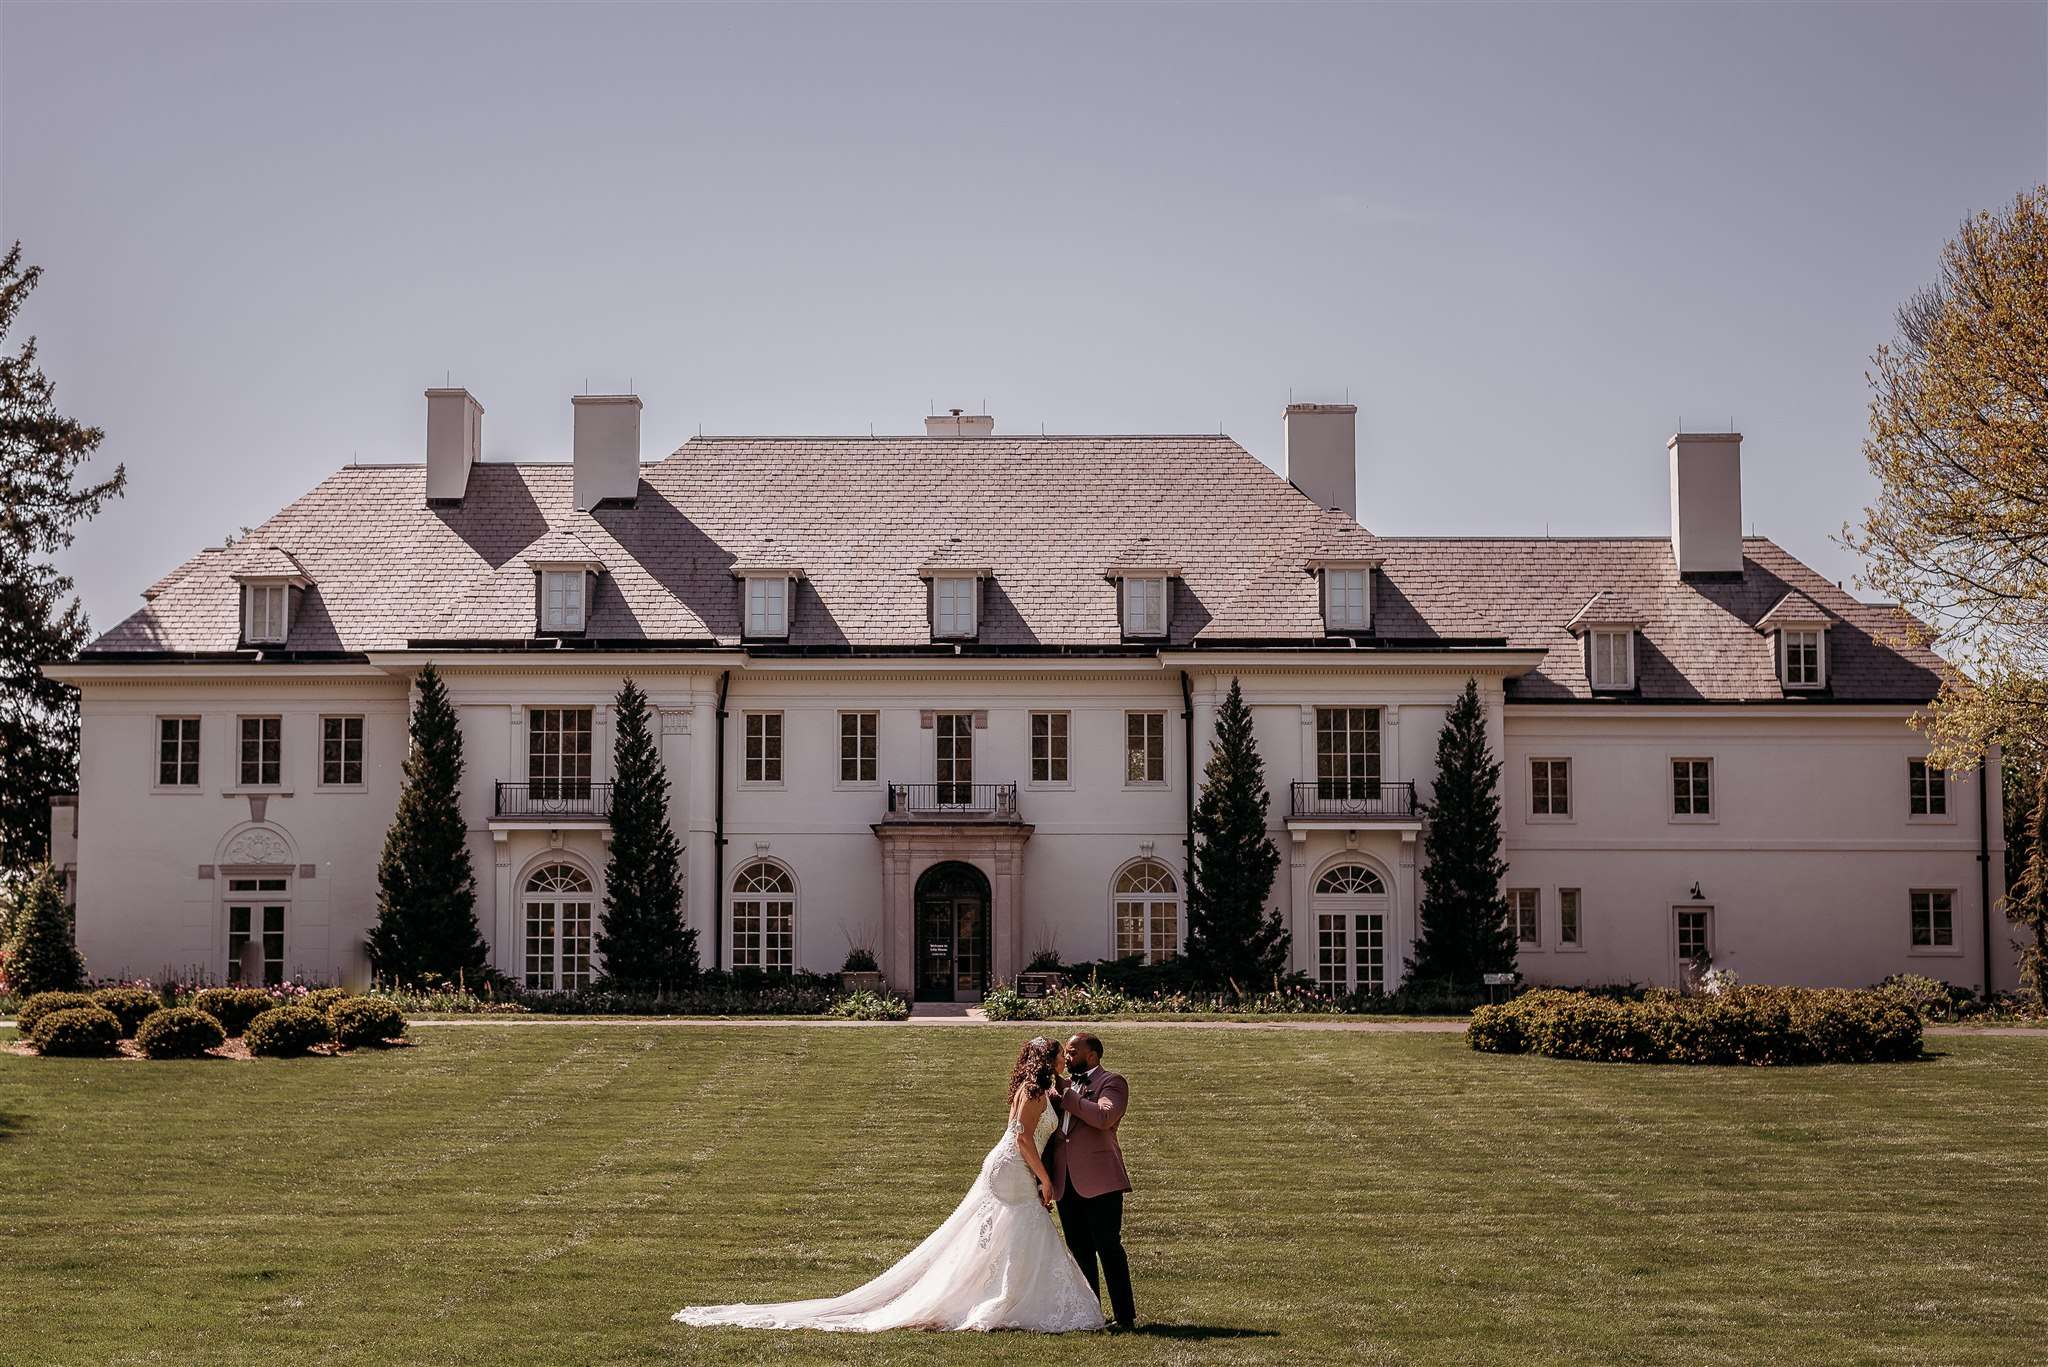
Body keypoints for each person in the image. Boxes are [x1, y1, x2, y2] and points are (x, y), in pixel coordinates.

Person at [673, 1036, 1104, 1333]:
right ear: (1046, 1061)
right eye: (1058, 1056)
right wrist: (1045, 1180)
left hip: (1007, 1165)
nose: (1063, 1061)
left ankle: (1000, 1294)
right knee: (1028, 1226)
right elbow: (1023, 1138)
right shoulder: (1033, 1092)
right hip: (1012, 1165)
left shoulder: (1036, 1089)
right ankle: (1006, 1300)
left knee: (1009, 1233)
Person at [1042, 1031, 1136, 1329]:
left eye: (1072, 1052)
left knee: (1108, 1247)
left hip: (1101, 1180)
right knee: (1079, 1250)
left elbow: (1104, 1117)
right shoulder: (1062, 1087)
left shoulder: (1112, 1082)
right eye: (1066, 1052)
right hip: (1066, 1181)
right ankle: (1090, 1315)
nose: (1067, 1057)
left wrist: (1067, 1095)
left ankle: (1125, 1317)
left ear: (1091, 1055)